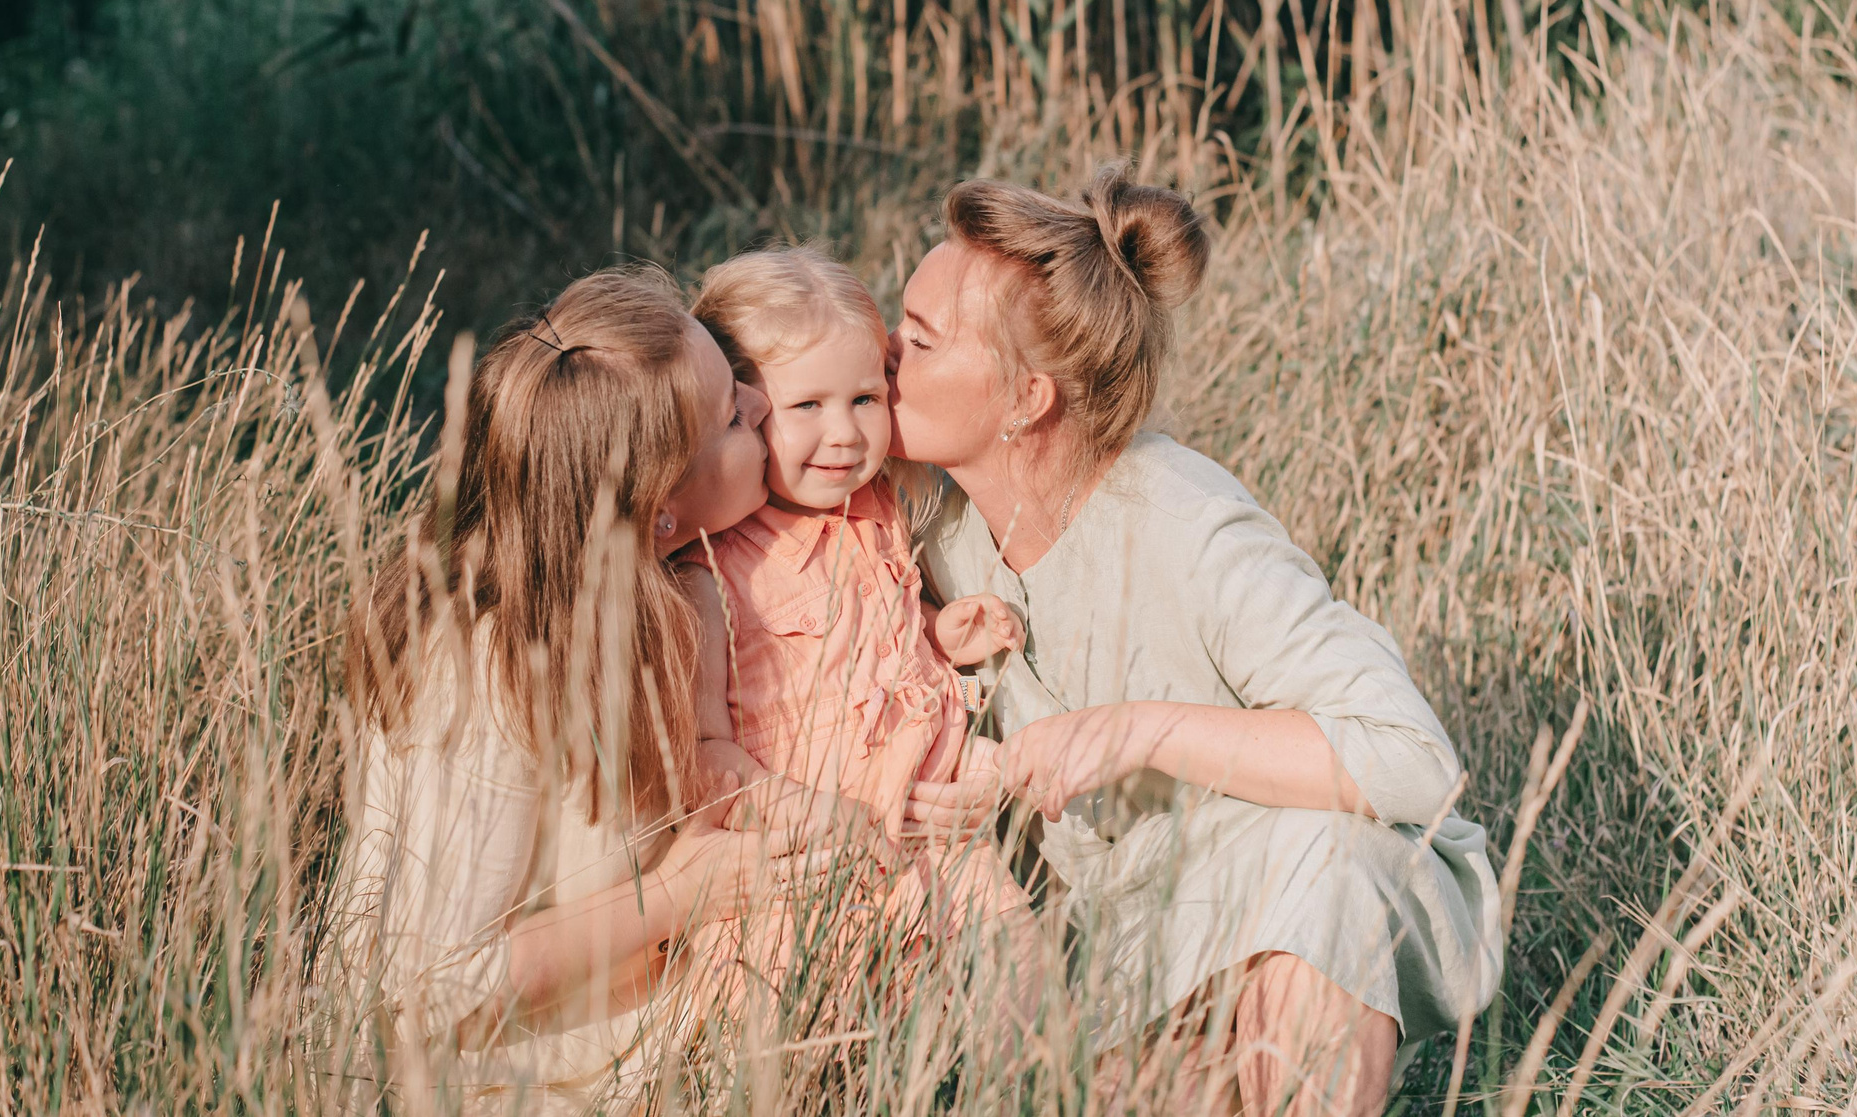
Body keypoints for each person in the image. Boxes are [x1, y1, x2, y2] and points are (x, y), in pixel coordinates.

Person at [892, 166, 1501, 1116]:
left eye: (921, 342)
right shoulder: (940, 530)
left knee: (1324, 871)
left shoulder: (1189, 524)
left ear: (1026, 399)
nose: (889, 358)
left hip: (1289, 901)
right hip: (1124, 941)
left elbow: (1417, 763)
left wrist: (1141, 729)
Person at [323, 267, 834, 1115]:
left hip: (615, 1029)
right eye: (731, 416)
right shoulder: (486, 668)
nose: (759, 399)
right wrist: (679, 896)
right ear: (660, 504)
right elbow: (434, 986)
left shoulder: (654, 589)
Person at [673, 248, 1034, 1028]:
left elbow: (875, 656)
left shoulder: (879, 509)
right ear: (740, 406)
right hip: (804, 865)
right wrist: (803, 811)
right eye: (807, 406)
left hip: (936, 846)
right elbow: (704, 754)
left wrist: (942, 632)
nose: (844, 432)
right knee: (797, 1051)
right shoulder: (714, 568)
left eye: (866, 396)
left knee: (1028, 995)